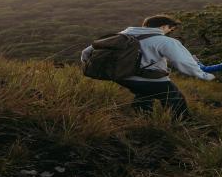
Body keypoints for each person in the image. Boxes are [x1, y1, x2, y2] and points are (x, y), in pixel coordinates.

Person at [81, 15, 215, 118]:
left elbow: (86, 52)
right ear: (163, 26)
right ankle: (183, 124)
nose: (170, 31)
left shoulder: (122, 35)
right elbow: (183, 62)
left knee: (144, 93)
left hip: (122, 77)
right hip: (149, 79)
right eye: (170, 28)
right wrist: (204, 75)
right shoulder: (165, 41)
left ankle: (143, 118)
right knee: (175, 99)